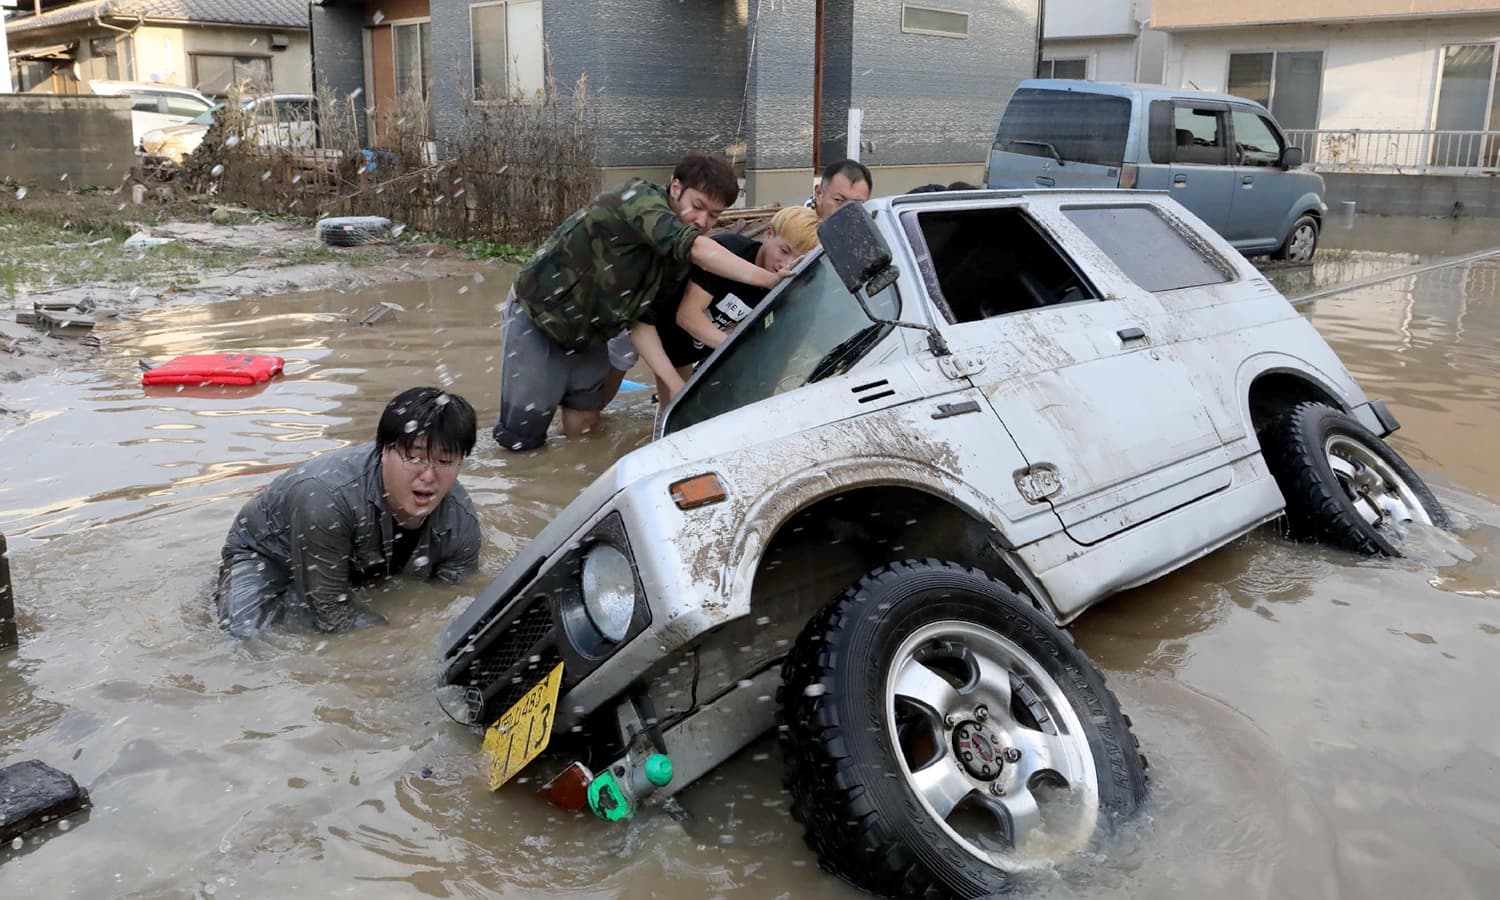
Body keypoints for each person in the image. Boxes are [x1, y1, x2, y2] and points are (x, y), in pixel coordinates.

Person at [494, 152, 794, 452]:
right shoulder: (638, 199)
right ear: (675, 188)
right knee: (521, 441)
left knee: (584, 427)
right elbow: (696, 248)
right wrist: (767, 279)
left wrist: (675, 386)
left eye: (714, 215)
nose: (702, 221)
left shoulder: (675, 262)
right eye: (698, 206)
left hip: (592, 333)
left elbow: (643, 324)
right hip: (538, 316)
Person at [214, 387, 482, 636]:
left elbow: (453, 599)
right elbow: (331, 614)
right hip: (270, 554)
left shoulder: (461, 521)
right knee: (243, 634)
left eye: (445, 461)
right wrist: (399, 636)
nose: (428, 475)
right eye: (414, 457)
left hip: (360, 560)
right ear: (383, 451)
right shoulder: (325, 497)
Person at [603, 206, 821, 409]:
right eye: (784, 250)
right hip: (643, 323)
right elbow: (687, 317)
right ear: (768, 234)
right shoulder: (728, 253)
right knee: (596, 403)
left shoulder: (791, 282)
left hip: (682, 349)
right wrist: (738, 347)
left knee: (678, 418)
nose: (786, 264)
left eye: (797, 259)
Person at [809, 158, 873, 219]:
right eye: (839, 200)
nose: (847, 212)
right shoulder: (800, 225)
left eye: (857, 205)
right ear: (819, 194)